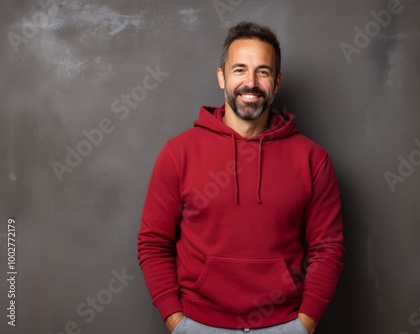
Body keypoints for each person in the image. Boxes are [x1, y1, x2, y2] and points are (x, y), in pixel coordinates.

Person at [137, 21, 344, 334]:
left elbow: (327, 248)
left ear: (276, 81)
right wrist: (175, 320)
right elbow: (153, 243)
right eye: (239, 70)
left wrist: (306, 322)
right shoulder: (178, 153)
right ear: (221, 76)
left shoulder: (313, 159)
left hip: (285, 325)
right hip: (197, 324)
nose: (251, 82)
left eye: (262, 71)